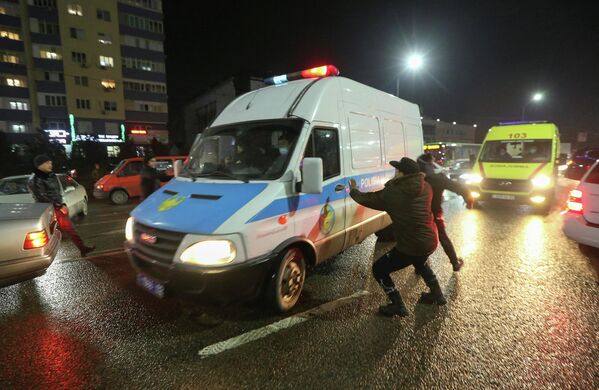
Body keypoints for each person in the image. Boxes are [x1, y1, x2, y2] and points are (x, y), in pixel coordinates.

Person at [349, 157, 446, 317]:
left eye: (397, 171)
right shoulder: (426, 187)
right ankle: (438, 295)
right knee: (420, 261)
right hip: (430, 240)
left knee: (379, 269)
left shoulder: (393, 193)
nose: (395, 173)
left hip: (411, 245)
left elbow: (367, 199)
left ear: (402, 173)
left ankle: (397, 304)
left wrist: (353, 190)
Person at [28, 154, 95, 257]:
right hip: (47, 210)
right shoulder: (35, 179)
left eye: (50, 162)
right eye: (47, 163)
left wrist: (62, 204)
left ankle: (82, 248)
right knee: (46, 234)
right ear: (39, 165)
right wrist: (59, 206)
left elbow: (56, 193)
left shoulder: (51, 175)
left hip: (58, 207)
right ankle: (38, 256)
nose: (50, 164)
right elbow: (42, 196)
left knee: (69, 228)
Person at [418, 153, 472, 272]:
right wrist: (468, 198)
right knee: (442, 236)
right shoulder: (437, 178)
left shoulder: (415, 177)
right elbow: (457, 186)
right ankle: (455, 263)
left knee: (421, 238)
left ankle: (420, 266)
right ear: (431, 163)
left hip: (418, 214)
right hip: (434, 213)